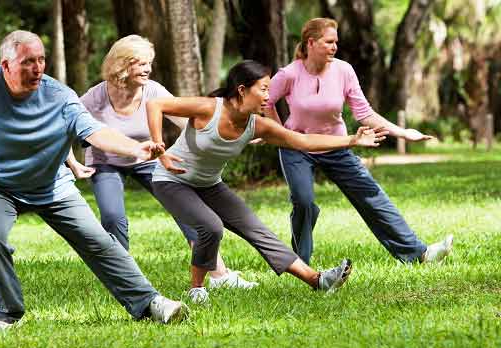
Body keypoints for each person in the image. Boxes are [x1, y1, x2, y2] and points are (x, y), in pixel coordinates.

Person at [0, 30, 188, 333]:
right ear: (6, 65)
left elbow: (95, 132)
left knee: (99, 242)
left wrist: (136, 147)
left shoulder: (59, 96)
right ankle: (7, 313)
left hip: (52, 186)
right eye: (28, 62)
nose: (38, 68)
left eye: (42, 60)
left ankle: (150, 302)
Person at [146, 60, 388, 303]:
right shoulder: (208, 108)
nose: (268, 96)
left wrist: (351, 141)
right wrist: (160, 148)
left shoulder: (257, 125)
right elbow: (155, 104)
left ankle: (317, 280)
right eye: (263, 89)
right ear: (242, 90)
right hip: (171, 180)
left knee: (257, 230)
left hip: (209, 184)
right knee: (211, 226)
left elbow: (301, 141)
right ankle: (196, 288)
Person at [67, 35, 257, 289]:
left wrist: (232, 132)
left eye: (149, 63)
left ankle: (219, 275)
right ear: (122, 65)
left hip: (147, 157)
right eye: (140, 63)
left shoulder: (153, 90)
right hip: (105, 162)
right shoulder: (95, 97)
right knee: (113, 217)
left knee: (187, 211)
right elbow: (64, 129)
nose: (148, 69)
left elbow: (185, 121)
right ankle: (123, 279)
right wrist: (73, 163)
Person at [265, 18, 453, 265]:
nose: (334, 47)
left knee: (371, 195)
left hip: (337, 144)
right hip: (297, 147)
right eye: (329, 42)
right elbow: (266, 102)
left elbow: (364, 113)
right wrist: (281, 134)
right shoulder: (289, 74)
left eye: (336, 42)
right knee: (304, 201)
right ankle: (301, 264)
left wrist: (403, 133)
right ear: (311, 43)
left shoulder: (344, 71)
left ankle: (420, 254)